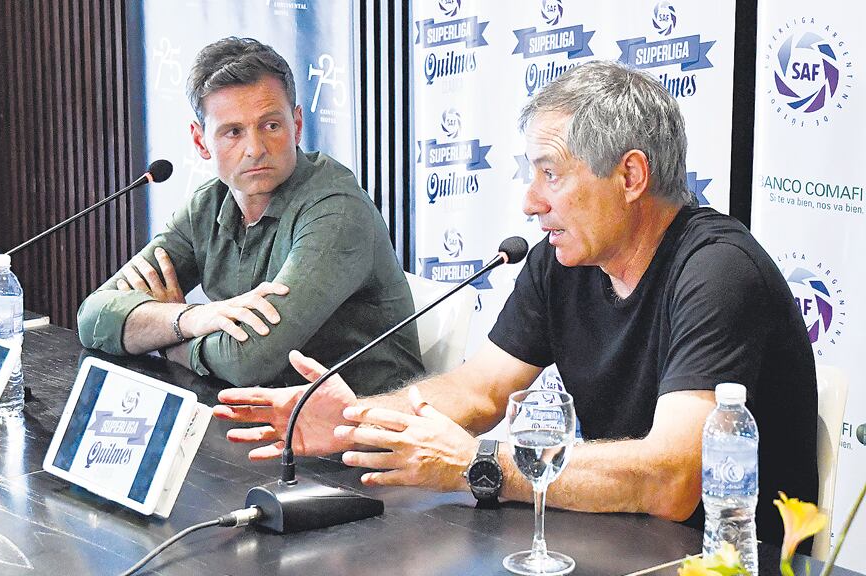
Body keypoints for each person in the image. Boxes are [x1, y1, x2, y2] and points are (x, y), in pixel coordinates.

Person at [213, 60, 818, 547]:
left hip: (718, 561)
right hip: (609, 540)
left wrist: (477, 464)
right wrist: (355, 420)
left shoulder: (718, 273)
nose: (530, 202)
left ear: (630, 177)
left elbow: (672, 480)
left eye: (550, 174)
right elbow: (479, 392)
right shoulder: (565, 259)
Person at [77, 37, 423, 394]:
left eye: (271, 125)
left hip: (363, 430)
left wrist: (164, 338)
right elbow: (94, 316)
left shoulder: (336, 211)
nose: (255, 149)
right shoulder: (206, 206)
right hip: (261, 416)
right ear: (200, 142)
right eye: (233, 132)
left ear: (297, 125)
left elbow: (248, 360)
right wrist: (191, 318)